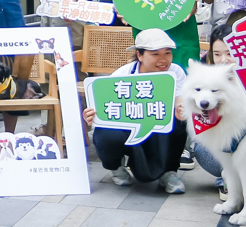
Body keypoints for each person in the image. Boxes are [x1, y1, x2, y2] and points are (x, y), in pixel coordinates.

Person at [81, 28, 188, 193]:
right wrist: (92, 116)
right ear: (140, 55)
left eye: (167, 53)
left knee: (178, 122)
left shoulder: (176, 72)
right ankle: (116, 167)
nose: (163, 60)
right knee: (106, 133)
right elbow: (103, 109)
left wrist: (182, 110)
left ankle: (169, 171)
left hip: (157, 129)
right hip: (126, 129)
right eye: (155, 54)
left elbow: (179, 101)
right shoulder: (121, 76)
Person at [186, 23, 233, 200]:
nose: (223, 60)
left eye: (229, 53)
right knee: (202, 149)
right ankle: (227, 179)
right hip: (217, 152)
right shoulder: (205, 77)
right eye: (217, 54)